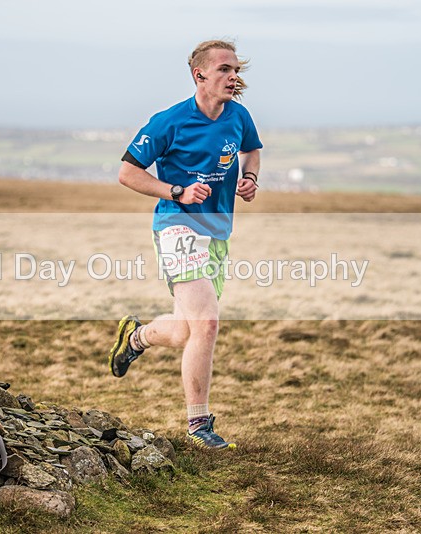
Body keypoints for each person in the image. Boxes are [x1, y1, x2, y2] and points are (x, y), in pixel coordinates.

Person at [109, 39, 262, 449]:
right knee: (208, 324)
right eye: (225, 70)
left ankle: (136, 338)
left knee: (184, 331)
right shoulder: (168, 122)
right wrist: (175, 190)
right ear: (200, 75)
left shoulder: (238, 117)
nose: (234, 77)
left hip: (217, 233)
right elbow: (127, 173)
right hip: (176, 226)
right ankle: (199, 426)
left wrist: (250, 179)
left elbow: (251, 151)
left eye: (235, 70)